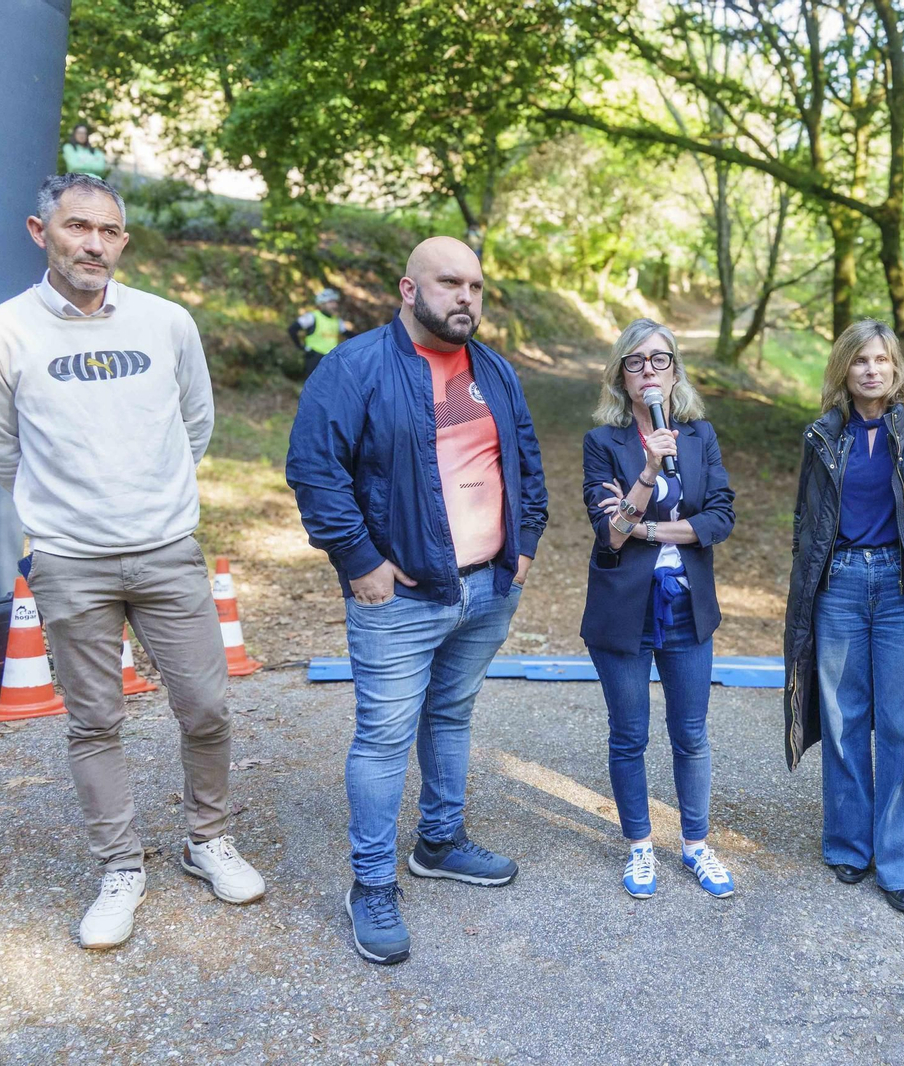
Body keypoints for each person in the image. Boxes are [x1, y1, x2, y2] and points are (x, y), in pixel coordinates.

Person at [0, 174, 264, 950]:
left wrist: (148, 500)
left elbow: (195, 423)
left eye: (108, 231)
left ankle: (207, 840)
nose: (93, 243)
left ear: (123, 240)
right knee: (95, 722)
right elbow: (0, 448)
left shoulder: (167, 323)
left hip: (167, 552)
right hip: (70, 562)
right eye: (76, 227)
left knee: (207, 707)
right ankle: (119, 868)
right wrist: (68, 512)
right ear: (41, 231)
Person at [287, 236, 548, 965]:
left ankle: (440, 841)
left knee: (453, 713)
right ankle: (370, 883)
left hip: (486, 587)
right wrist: (357, 558)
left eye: (476, 285)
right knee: (383, 737)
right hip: (399, 597)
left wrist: (523, 543)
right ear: (409, 289)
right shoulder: (354, 367)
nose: (465, 296)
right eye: (448, 282)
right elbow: (314, 469)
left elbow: (523, 456)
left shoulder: (492, 370)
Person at [783, 318, 904, 915]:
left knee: (902, 723)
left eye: (882, 360)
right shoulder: (823, 435)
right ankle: (848, 844)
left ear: (896, 370)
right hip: (838, 584)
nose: (872, 370)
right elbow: (804, 520)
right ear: (845, 368)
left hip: (900, 586)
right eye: (861, 360)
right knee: (843, 719)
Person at [580, 319, 737, 900]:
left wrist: (645, 525)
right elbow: (609, 535)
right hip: (624, 610)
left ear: (675, 371)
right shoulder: (604, 444)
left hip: (687, 606)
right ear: (621, 376)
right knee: (629, 735)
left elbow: (719, 517)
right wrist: (647, 470)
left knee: (691, 734)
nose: (649, 370)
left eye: (660, 360)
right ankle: (641, 846)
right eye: (636, 362)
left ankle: (695, 844)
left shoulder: (699, 436)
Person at [288, 287, 356, 380]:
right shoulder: (312, 316)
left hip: (331, 359)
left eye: (335, 302)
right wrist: (301, 347)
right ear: (322, 303)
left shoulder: (337, 320)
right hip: (314, 358)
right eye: (331, 302)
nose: (334, 305)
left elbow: (349, 334)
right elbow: (292, 329)